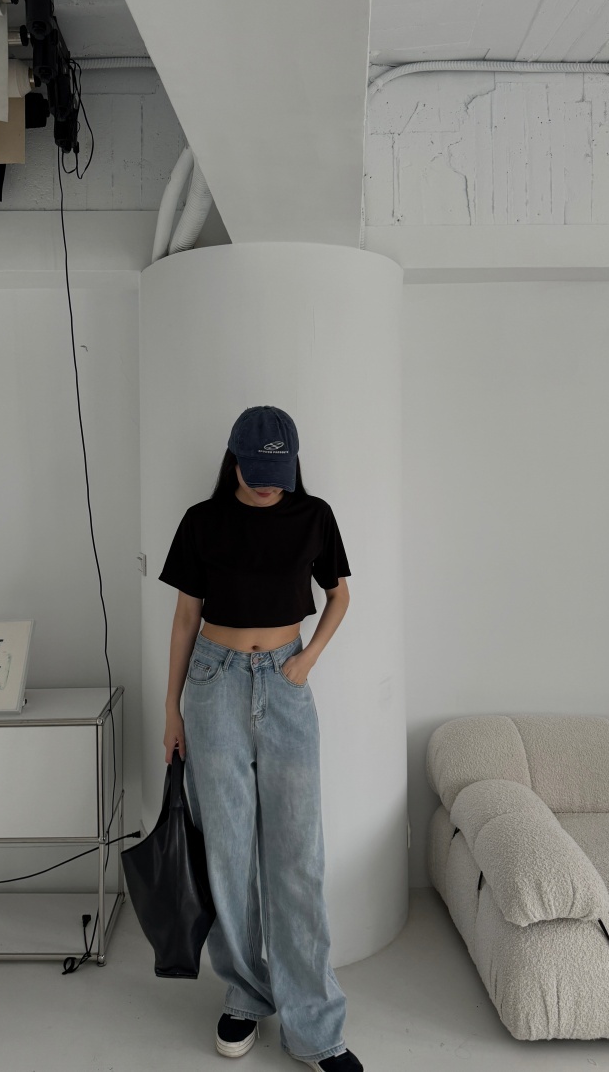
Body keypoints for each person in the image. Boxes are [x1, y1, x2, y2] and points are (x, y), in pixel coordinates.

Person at [158, 405, 362, 1071]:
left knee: (298, 857)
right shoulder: (202, 521)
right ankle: (246, 994)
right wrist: (171, 710)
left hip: (286, 684)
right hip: (212, 688)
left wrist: (307, 661)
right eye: (257, 472)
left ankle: (314, 1024)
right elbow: (185, 618)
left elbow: (339, 595)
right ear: (235, 461)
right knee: (228, 855)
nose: (269, 485)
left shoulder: (314, 516)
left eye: (279, 473)